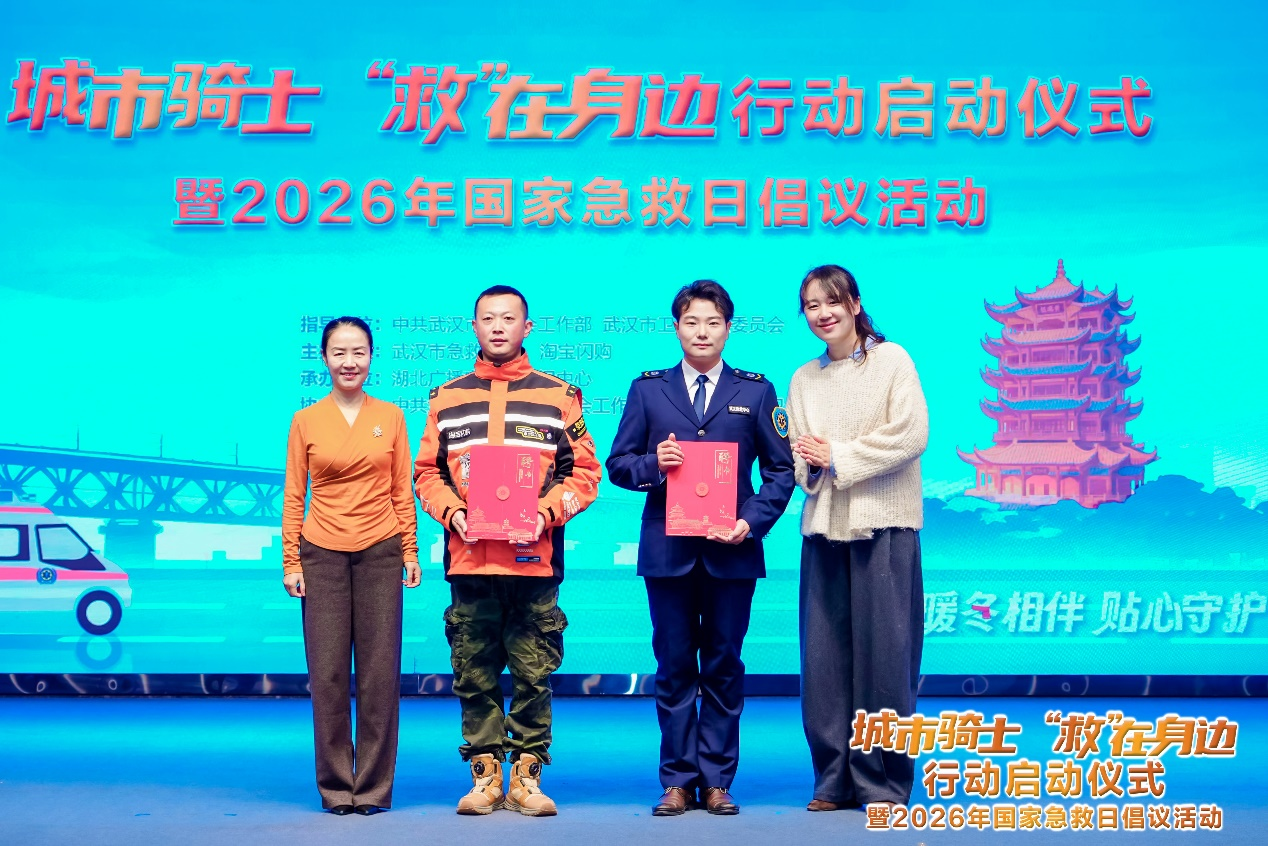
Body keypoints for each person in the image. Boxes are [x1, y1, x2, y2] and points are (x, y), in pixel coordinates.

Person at [606, 280, 795, 816]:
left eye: (713, 322)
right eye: (692, 322)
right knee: (672, 667)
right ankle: (676, 780)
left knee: (724, 665)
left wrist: (750, 522)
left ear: (728, 329)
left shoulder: (756, 391)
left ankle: (716, 780)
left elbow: (781, 471)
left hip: (732, 551)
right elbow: (618, 464)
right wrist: (654, 464)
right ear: (677, 328)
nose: (702, 332)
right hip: (668, 551)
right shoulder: (648, 390)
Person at [415, 285, 601, 817]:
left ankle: (526, 776)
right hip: (469, 561)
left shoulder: (560, 397)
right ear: (474, 327)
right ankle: (485, 775)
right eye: (488, 318)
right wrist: (452, 512)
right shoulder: (446, 398)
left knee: (532, 674)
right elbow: (426, 473)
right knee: (473, 673)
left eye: (508, 318)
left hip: (533, 562)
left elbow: (585, 473)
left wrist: (544, 513)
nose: (498, 327)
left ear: (527, 327)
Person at [786, 264, 929, 812]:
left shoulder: (892, 360)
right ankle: (833, 780)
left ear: (854, 303)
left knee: (886, 662)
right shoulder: (804, 378)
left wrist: (838, 455)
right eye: (811, 305)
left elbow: (910, 435)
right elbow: (800, 457)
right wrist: (814, 463)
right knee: (823, 663)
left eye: (832, 302)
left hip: (885, 527)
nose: (822, 314)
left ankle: (883, 783)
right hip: (824, 530)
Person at [282, 316, 422, 816]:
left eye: (358, 351)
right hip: (320, 552)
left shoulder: (392, 416)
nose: (349, 362)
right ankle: (337, 787)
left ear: (371, 357)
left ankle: (374, 789)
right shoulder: (305, 420)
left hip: (381, 550)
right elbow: (294, 494)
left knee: (380, 676)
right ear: (324, 359)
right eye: (339, 352)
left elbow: (401, 489)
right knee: (328, 676)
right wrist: (291, 560)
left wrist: (410, 551)